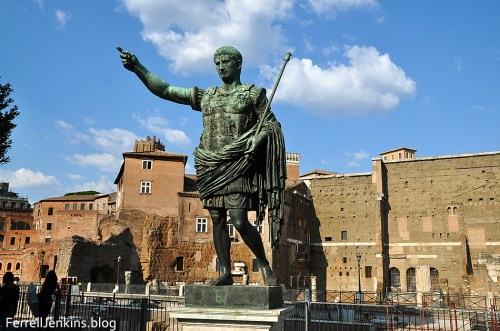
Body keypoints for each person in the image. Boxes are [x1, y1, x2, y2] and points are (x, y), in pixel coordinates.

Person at [118, 46, 286, 286]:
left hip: (238, 163)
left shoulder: (252, 94)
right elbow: (165, 89)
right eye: (217, 63)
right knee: (217, 218)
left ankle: (265, 265)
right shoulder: (207, 96)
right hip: (210, 163)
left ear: (238, 65)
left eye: (225, 61)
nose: (220, 67)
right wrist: (138, 68)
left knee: (238, 220)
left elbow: (272, 126)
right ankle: (226, 272)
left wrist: (257, 138)